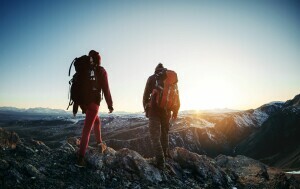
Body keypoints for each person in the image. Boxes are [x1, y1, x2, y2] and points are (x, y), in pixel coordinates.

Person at [76, 50, 114, 167]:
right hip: (94, 103)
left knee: (97, 120)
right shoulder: (101, 71)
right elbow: (106, 89)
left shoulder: (85, 70)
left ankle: (99, 142)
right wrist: (110, 104)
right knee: (87, 130)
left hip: (84, 103)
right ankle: (80, 158)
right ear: (99, 60)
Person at [143, 63, 180, 169]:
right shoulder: (171, 79)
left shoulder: (152, 78)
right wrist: (175, 111)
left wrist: (146, 109)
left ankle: (160, 162)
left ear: (155, 70)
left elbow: (145, 95)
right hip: (167, 111)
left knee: (155, 137)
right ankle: (165, 156)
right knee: (164, 134)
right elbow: (177, 96)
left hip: (154, 110)